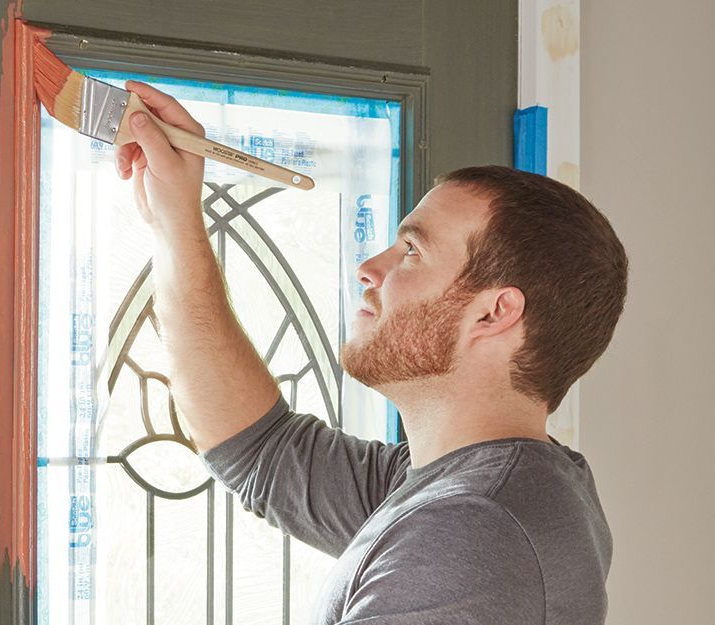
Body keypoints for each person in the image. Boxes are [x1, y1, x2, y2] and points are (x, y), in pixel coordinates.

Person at [113, 80, 628, 625]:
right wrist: (173, 221)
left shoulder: (474, 529)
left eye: (412, 250)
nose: (370, 268)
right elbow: (259, 450)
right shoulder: (474, 486)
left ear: (494, 313)